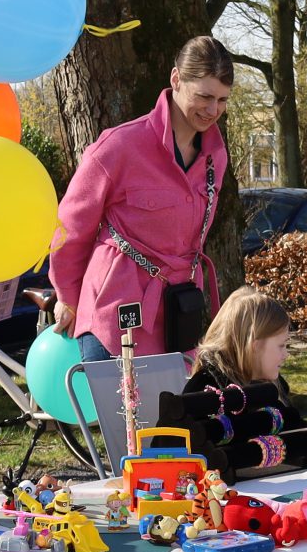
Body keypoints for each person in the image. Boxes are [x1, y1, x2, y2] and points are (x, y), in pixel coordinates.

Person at [49, 35, 234, 360]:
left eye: (221, 100)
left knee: (180, 397)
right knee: (119, 397)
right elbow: (69, 229)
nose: (212, 110)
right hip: (114, 316)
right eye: (204, 96)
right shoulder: (119, 146)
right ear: (176, 80)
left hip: (179, 317)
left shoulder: (215, 157)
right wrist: (67, 296)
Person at [162, 286, 307, 479]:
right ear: (255, 346)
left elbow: (301, 441)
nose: (286, 354)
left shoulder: (270, 389)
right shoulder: (205, 391)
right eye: (281, 345)